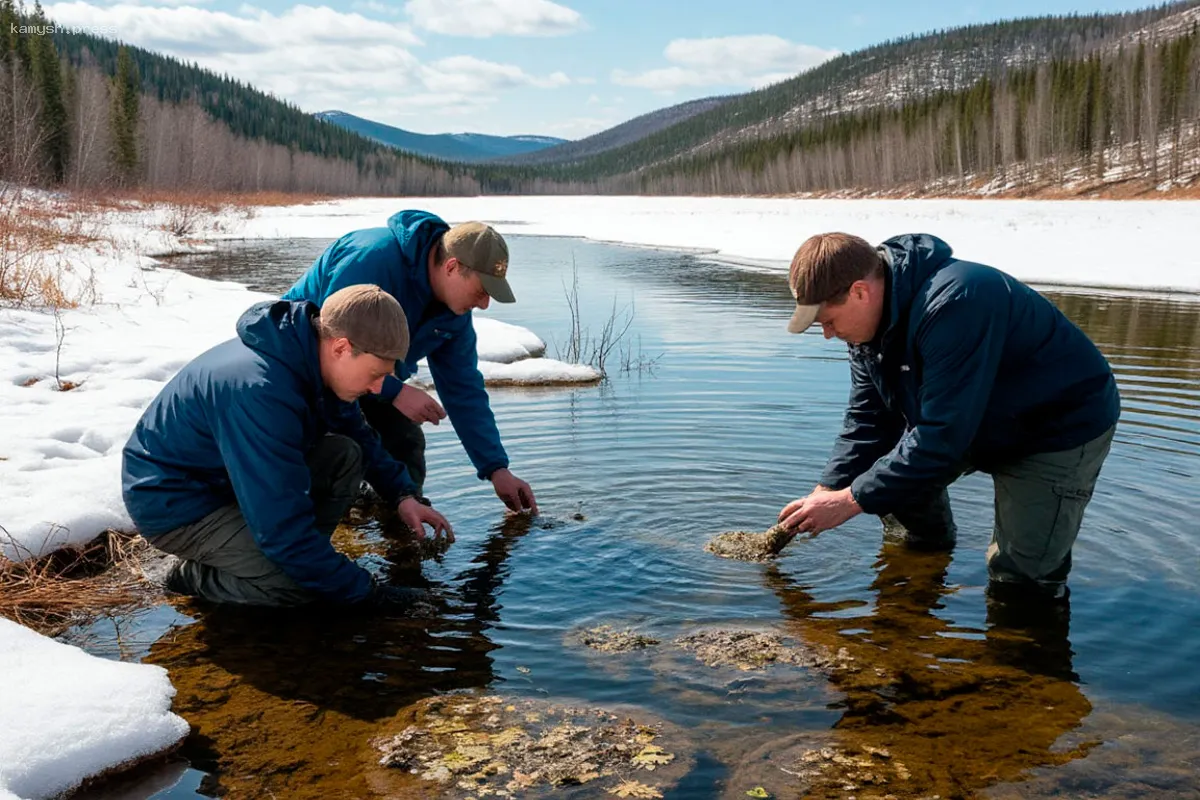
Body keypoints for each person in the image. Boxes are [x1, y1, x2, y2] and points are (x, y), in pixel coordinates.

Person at [777, 233, 1120, 598]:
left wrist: (849, 502)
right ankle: (919, 575)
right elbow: (868, 417)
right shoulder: (864, 331)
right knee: (892, 491)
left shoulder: (957, 301)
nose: (828, 334)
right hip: (962, 418)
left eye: (828, 321)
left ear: (860, 292)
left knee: (1021, 580)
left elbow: (942, 436)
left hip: (1053, 428)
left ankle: (1023, 644)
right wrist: (828, 489)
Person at [122, 284, 452, 608]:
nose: (378, 387)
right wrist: (368, 593)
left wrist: (403, 496)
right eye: (375, 374)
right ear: (340, 348)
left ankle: (285, 560)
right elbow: (280, 527)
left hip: (225, 480)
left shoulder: (315, 363)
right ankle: (186, 574)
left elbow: (361, 436)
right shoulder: (261, 390)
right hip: (175, 501)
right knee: (303, 588)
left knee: (346, 455)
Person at [283, 211, 538, 515]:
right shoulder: (372, 258)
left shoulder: (453, 314)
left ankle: (404, 520)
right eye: (482, 291)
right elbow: (333, 345)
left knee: (405, 440)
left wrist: (497, 469)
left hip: (367, 378)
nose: (485, 304)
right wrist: (394, 391)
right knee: (340, 452)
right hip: (302, 374)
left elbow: (464, 390)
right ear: (453, 267)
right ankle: (325, 526)